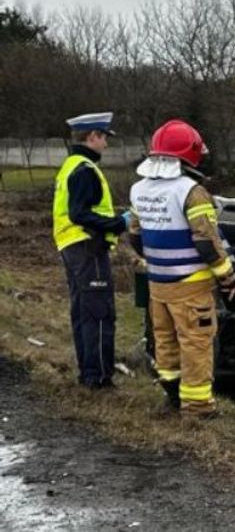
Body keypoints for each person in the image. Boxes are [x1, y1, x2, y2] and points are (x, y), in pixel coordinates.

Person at [127, 120, 235, 418]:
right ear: (190, 155)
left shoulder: (138, 189)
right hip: (191, 284)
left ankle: (173, 398)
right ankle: (199, 406)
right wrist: (228, 275)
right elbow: (206, 241)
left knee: (165, 340)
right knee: (195, 343)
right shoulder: (192, 191)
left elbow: (135, 236)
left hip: (158, 284)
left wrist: (159, 261)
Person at [53, 112, 128, 389]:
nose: (106, 145)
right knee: (99, 312)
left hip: (73, 246)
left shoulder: (71, 165)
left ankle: (88, 373)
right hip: (88, 246)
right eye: (104, 138)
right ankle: (98, 378)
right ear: (92, 136)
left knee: (83, 311)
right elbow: (79, 213)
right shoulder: (84, 169)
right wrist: (119, 223)